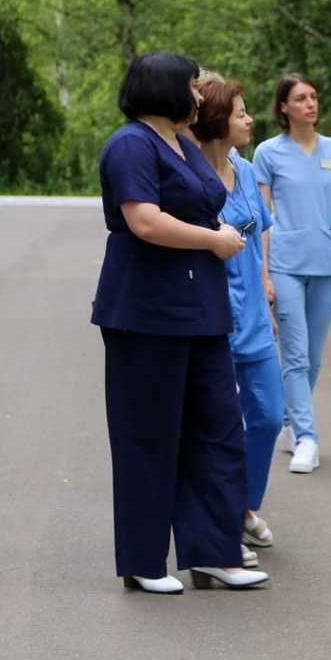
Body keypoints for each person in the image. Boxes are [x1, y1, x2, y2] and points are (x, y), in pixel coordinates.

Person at [91, 52, 268, 593]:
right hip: (147, 313)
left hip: (201, 311)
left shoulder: (181, 143)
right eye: (193, 87)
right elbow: (143, 220)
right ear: (166, 88)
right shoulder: (130, 145)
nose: (199, 96)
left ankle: (215, 552)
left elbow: (195, 206)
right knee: (149, 437)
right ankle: (144, 561)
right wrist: (214, 240)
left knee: (217, 430)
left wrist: (219, 230)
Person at [192, 76, 285, 569]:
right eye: (241, 113)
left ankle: (245, 503)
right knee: (221, 428)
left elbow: (261, 230)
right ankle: (226, 523)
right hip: (212, 323)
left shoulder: (246, 172)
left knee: (269, 416)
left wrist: (267, 286)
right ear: (217, 121)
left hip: (253, 319)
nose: (249, 120)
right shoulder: (189, 177)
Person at [253, 74, 331, 474]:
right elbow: (262, 217)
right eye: (301, 98)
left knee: (313, 358)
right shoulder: (268, 153)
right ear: (284, 107)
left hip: (327, 265)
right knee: (294, 354)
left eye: (314, 97)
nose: (311, 104)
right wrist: (263, 274)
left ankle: (287, 424)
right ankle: (308, 438)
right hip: (285, 264)